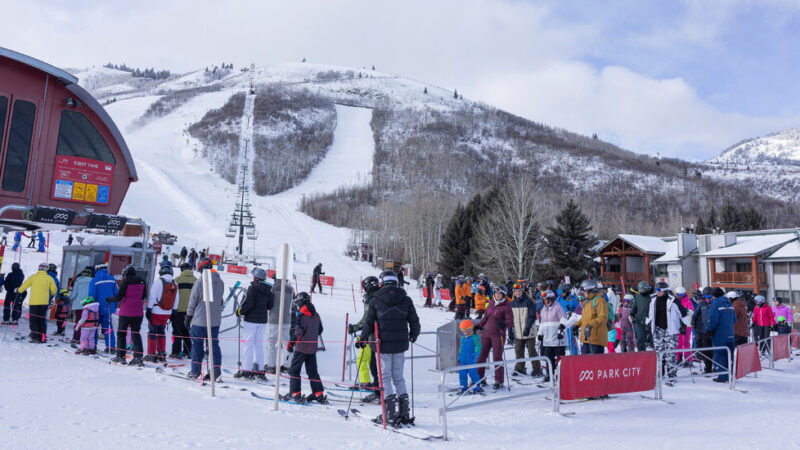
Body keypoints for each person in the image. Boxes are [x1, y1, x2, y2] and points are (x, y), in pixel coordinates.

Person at [357, 271, 421, 426]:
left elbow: (368, 323)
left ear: (382, 282)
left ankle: (390, 413)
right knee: (398, 377)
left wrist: (362, 338)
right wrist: (414, 335)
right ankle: (404, 411)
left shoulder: (376, 299)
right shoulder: (406, 299)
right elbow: (415, 321)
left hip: (382, 344)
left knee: (385, 377)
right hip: (400, 345)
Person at [282, 292, 326, 404]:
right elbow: (320, 330)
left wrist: (290, 344)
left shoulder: (301, 315)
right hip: (312, 348)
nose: (297, 305)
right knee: (312, 371)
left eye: (297, 303)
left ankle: (295, 394)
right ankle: (318, 394)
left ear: (301, 302)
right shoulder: (316, 314)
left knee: (294, 370)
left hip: (301, 348)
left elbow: (298, 333)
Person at [186, 258, 224, 380]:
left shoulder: (200, 282)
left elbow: (193, 301)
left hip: (199, 320)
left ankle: (195, 371)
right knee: (213, 346)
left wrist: (188, 316)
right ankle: (216, 372)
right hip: (215, 321)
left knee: (197, 345)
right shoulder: (220, 282)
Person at [235, 268, 274, 379]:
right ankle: (260, 370)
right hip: (262, 321)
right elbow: (270, 306)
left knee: (248, 345)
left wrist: (239, 311)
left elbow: (248, 304)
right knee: (259, 345)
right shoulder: (269, 290)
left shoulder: (252, 288)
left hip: (251, 320)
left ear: (255, 278)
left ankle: (246, 370)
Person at [475, 286, 513, 390]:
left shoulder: (506, 306)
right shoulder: (491, 303)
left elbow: (510, 322)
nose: (497, 295)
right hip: (486, 333)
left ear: (503, 295)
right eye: (496, 293)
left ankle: (499, 381)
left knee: (497, 357)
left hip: (498, 334)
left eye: (500, 293)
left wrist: (504, 323)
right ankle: (479, 378)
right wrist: (479, 325)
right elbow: (486, 317)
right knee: (481, 356)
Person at [108, 265, 147, 366]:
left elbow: (119, 297)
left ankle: (120, 356)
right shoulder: (142, 281)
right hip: (138, 312)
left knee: (121, 334)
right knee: (135, 333)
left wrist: (110, 299)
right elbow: (144, 296)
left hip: (126, 312)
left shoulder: (126, 281)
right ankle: (138, 357)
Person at [647, 282, 684, 385]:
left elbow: (683, 313)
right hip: (658, 330)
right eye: (656, 290)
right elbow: (649, 314)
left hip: (670, 331)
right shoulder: (653, 300)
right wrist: (648, 323)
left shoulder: (673, 301)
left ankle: (672, 375)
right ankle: (660, 373)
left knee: (670, 354)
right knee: (658, 354)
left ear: (665, 291)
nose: (657, 292)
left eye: (659, 290)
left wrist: (684, 325)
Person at [349, 276, 380, 392]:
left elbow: (367, 318)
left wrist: (356, 328)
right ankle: (374, 382)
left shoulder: (372, 298)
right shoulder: (378, 296)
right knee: (371, 360)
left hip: (371, 335)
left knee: (362, 359)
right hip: (373, 334)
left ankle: (367, 382)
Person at [538, 289, 577, 382]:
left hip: (557, 338)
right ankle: (549, 374)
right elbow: (542, 324)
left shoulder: (558, 308)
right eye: (544, 300)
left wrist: (561, 331)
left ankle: (561, 374)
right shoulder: (543, 310)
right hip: (547, 339)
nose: (545, 302)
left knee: (559, 358)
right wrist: (540, 334)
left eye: (547, 300)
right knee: (548, 358)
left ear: (551, 299)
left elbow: (563, 320)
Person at [17, 263, 57, 343]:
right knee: (42, 319)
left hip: (34, 302)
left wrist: (18, 290)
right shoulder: (49, 278)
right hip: (44, 303)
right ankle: (42, 338)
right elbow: (54, 291)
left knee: (34, 319)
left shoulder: (33, 277)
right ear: (47, 269)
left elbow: (24, 285)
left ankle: (34, 336)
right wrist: (51, 294)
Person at [145, 264, 178, 363]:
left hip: (156, 311)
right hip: (167, 312)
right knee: (161, 332)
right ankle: (161, 353)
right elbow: (176, 299)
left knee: (152, 332)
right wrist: (174, 312)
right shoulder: (174, 283)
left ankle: (151, 354)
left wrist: (149, 309)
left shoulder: (158, 282)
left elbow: (152, 296)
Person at [509, 282, 541, 376]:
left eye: (519, 291)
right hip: (518, 331)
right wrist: (510, 329)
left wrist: (527, 328)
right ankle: (520, 368)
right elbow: (510, 318)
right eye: (516, 291)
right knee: (518, 351)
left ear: (522, 291)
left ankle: (537, 369)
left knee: (531, 351)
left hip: (529, 330)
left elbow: (532, 316)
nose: (517, 292)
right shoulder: (512, 303)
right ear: (514, 292)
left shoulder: (528, 301)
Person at [265, 274, 294, 374]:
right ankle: (287, 365)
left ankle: (271, 365)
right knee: (287, 343)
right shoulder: (291, 289)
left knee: (271, 343)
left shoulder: (272, 289)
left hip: (274, 319)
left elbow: (269, 303)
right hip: (286, 319)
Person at [706, 287, 736, 383]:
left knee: (720, 354)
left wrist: (709, 330)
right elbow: (734, 319)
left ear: (714, 295)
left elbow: (713, 319)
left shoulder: (715, 303)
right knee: (729, 355)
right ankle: (730, 375)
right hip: (730, 333)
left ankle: (723, 376)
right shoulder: (728, 302)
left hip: (720, 333)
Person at [88, 263, 119, 352]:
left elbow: (91, 295)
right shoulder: (112, 280)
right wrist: (114, 305)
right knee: (108, 328)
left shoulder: (95, 280)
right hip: (108, 307)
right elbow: (116, 294)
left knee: (94, 328)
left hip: (96, 309)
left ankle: (92, 346)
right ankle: (111, 346)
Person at [573, 279, 608, 354]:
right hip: (586, 338)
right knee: (585, 363)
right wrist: (577, 325)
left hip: (596, 339)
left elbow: (603, 317)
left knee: (595, 363)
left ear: (589, 290)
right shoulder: (588, 302)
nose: (583, 293)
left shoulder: (600, 300)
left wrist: (590, 325)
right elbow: (585, 318)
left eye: (584, 291)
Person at [170, 263, 196, 358]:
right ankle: (188, 351)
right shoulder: (196, 281)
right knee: (187, 332)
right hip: (191, 312)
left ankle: (175, 352)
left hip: (178, 310)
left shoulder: (176, 280)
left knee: (177, 332)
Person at [691, 287, 715, 374]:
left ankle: (716, 366)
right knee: (706, 350)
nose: (708, 298)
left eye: (709, 296)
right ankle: (708, 367)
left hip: (714, 331)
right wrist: (693, 321)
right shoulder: (702, 303)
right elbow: (695, 314)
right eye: (706, 296)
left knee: (715, 349)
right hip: (705, 331)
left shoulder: (715, 303)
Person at [69, 267, 94, 344]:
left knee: (78, 321)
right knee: (87, 323)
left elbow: (74, 294)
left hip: (78, 304)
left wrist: (69, 298)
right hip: (88, 305)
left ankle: (76, 337)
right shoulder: (92, 281)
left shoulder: (78, 280)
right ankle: (84, 339)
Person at [457, 320, 482, 394]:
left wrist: (476, 355)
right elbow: (461, 348)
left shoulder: (475, 338)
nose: (463, 332)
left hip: (471, 359)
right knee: (462, 373)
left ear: (470, 329)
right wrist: (459, 356)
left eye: (465, 330)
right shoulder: (462, 338)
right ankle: (463, 386)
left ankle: (477, 386)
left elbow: (478, 346)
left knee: (473, 373)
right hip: (463, 360)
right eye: (462, 330)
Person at [556, 284, 580, 355]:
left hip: (570, 323)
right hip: (561, 323)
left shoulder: (573, 300)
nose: (561, 294)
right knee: (560, 341)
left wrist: (571, 313)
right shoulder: (558, 299)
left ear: (566, 292)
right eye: (559, 293)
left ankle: (574, 356)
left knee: (571, 342)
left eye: (562, 292)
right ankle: (560, 358)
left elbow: (578, 311)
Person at [674, 287, 695, 365]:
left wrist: (685, 310)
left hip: (686, 325)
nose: (679, 296)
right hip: (677, 324)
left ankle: (688, 360)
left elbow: (692, 312)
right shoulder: (674, 301)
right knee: (678, 343)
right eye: (678, 294)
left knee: (686, 342)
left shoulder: (688, 301)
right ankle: (678, 358)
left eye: (681, 294)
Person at [630, 281, 653, 351]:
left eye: (643, 290)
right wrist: (631, 314)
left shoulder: (651, 297)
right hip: (639, 321)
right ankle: (641, 354)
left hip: (650, 321)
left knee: (652, 339)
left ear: (647, 289)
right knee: (640, 338)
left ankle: (656, 355)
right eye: (640, 291)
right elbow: (634, 307)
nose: (641, 292)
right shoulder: (638, 297)